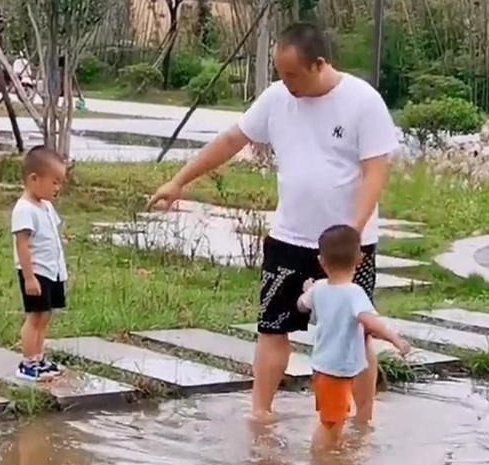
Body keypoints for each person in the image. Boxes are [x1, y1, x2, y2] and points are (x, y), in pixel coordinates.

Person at [147, 22, 400, 423]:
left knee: (356, 334)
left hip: (347, 247)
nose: (286, 84)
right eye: (281, 75)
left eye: (293, 75)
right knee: (271, 326)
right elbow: (233, 139)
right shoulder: (277, 97)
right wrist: (180, 180)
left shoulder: (362, 102)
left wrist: (353, 230)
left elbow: (375, 172)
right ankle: (260, 415)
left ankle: (363, 422)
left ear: (319, 64)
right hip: (289, 238)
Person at [297, 225, 410, 451]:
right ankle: (323, 457)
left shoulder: (318, 288)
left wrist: (306, 289)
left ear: (321, 261)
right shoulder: (354, 293)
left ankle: (329, 452)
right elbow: (369, 321)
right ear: (359, 259)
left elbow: (301, 305)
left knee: (332, 418)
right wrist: (396, 340)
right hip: (336, 372)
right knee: (332, 424)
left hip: (322, 367)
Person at [12, 146, 68, 381]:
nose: (58, 188)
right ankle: (28, 362)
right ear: (34, 179)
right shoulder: (24, 209)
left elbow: (52, 235)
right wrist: (29, 277)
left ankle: (39, 357)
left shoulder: (46, 206)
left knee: (45, 315)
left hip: (51, 270)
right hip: (36, 271)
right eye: (54, 182)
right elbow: (22, 244)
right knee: (35, 316)